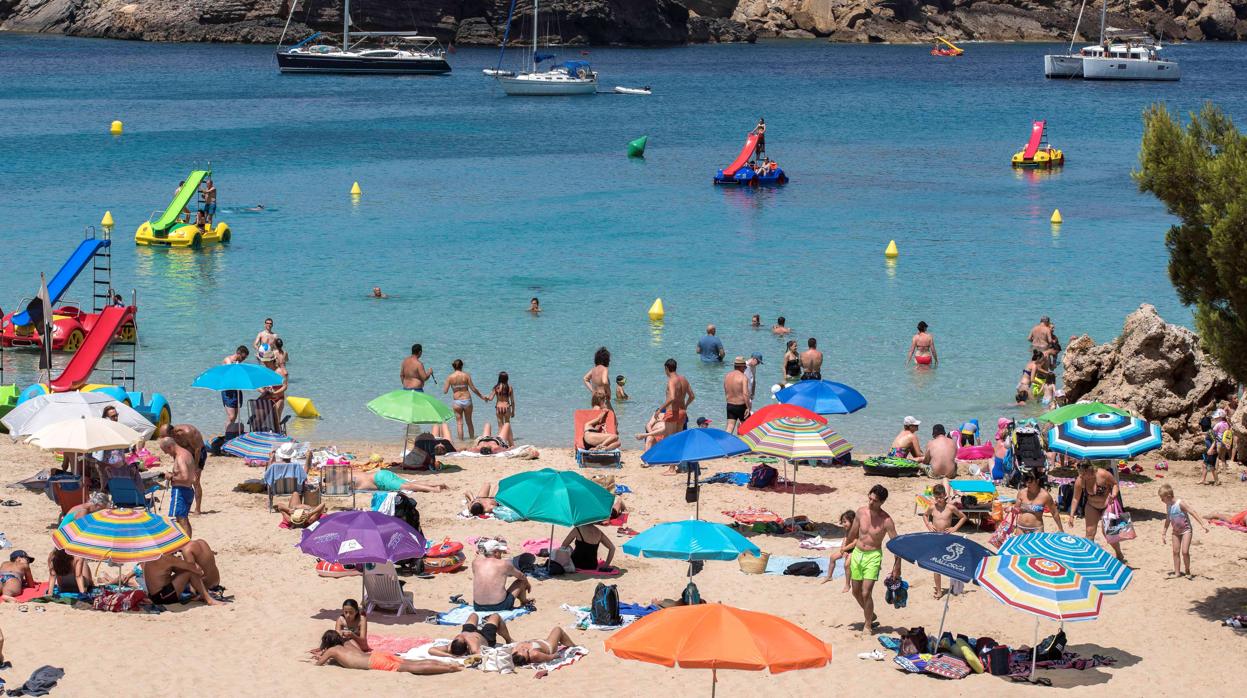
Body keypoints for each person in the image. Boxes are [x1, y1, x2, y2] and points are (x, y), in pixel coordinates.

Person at [823, 485, 901, 634]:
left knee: (866, 592)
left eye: (875, 501)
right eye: (870, 498)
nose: (871, 503)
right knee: (856, 592)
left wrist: (897, 567)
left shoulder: (886, 521)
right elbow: (852, 533)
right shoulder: (860, 512)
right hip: (858, 553)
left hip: (873, 556)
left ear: (882, 502)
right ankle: (870, 614)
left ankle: (867, 625)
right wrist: (846, 549)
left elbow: (896, 544)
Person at [312, 631, 461, 674]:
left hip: (374, 662)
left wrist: (321, 655)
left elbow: (319, 664)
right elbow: (358, 650)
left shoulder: (332, 651)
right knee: (412, 662)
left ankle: (449, 668)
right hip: (376, 655)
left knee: (411, 668)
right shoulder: (347, 643)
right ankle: (448, 664)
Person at [1068, 461, 1125, 561]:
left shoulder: (1103, 474)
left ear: (1091, 469)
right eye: (1081, 474)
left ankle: (1119, 553)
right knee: (1089, 533)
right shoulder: (1080, 480)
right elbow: (1075, 498)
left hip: (1107, 504)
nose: (1083, 476)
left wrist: (1114, 494)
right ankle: (1089, 558)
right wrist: (1071, 515)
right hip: (1091, 505)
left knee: (1108, 532)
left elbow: (1115, 484)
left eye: (1085, 474)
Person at [922, 484, 967, 598]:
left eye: (941, 497)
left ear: (945, 495)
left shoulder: (950, 507)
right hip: (936, 538)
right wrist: (928, 524)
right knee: (935, 565)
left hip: (947, 539)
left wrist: (954, 528)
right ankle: (938, 590)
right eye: (936, 498)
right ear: (934, 497)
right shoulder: (932, 507)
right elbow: (925, 515)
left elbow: (963, 517)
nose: (939, 500)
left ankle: (954, 586)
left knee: (950, 562)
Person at [157, 423, 206, 516]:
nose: (163, 439)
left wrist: (195, 468)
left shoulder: (187, 432)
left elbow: (198, 449)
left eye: (164, 436)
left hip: (198, 453)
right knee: (183, 477)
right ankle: (185, 505)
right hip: (186, 454)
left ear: (171, 433)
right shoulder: (172, 439)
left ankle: (198, 509)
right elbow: (176, 452)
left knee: (195, 481)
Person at [1159, 484, 1208, 578]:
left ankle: (1187, 570)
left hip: (1186, 530)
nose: (1161, 500)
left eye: (1162, 498)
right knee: (1175, 551)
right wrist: (1164, 532)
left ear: (1168, 497)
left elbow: (1192, 511)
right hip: (1175, 532)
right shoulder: (1168, 505)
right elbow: (1168, 519)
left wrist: (1202, 524)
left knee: (1185, 552)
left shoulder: (1180, 503)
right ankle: (1177, 572)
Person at [139, 549, 218, 606]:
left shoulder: (154, 555)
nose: (177, 551)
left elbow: (178, 570)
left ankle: (201, 594)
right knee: (190, 573)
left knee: (185, 572)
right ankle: (209, 599)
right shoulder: (167, 558)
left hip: (154, 596)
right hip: (162, 597)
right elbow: (197, 570)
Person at [472, 539, 532, 611]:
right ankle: (524, 602)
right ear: (495, 552)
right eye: (500, 552)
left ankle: (524, 601)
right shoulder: (504, 564)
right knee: (521, 581)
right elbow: (521, 576)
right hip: (499, 606)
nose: (501, 554)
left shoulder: (475, 563)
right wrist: (527, 584)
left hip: (477, 606)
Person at [443, 359, 489, 441]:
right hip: (467, 400)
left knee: (459, 423)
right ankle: (472, 441)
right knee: (469, 422)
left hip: (457, 402)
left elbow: (445, 391)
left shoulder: (450, 377)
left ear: (453, 366)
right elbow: (473, 389)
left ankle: (461, 442)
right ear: (462, 366)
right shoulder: (466, 375)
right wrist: (482, 397)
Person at [159, 436, 196, 538]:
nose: (166, 454)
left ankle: (184, 544)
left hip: (181, 491)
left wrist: (171, 477)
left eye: (166, 451)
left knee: (177, 519)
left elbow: (185, 477)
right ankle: (187, 542)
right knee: (183, 518)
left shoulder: (180, 457)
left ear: (170, 447)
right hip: (188, 490)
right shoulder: (187, 453)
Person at [431, 613, 513, 657]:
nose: (460, 636)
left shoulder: (450, 647)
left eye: (459, 637)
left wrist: (449, 655)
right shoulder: (474, 648)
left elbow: (432, 650)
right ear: (467, 646)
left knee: (474, 615)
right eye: (462, 638)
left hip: (468, 631)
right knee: (496, 616)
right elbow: (480, 655)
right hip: (485, 637)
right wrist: (453, 656)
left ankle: (483, 622)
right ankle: (509, 639)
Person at [659, 359, 694, 438]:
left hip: (672, 412)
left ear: (667, 368)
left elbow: (672, 397)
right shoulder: (684, 379)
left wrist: (660, 410)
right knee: (678, 440)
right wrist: (686, 405)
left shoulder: (671, 380)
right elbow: (692, 396)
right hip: (682, 412)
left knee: (669, 440)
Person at [510, 627, 576, 666]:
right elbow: (550, 657)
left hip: (540, 642)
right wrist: (557, 655)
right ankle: (573, 646)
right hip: (549, 645)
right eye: (527, 652)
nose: (525, 649)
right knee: (558, 629)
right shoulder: (534, 654)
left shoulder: (515, 651)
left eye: (523, 650)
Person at [221, 345, 249, 429]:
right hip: (228, 391)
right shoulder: (228, 360)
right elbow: (230, 373)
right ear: (238, 353)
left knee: (235, 416)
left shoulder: (238, 363)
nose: (243, 360)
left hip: (236, 390)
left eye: (245, 358)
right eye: (243, 357)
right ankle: (227, 436)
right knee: (231, 417)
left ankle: (231, 434)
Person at [352, 469, 448, 494]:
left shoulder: (346, 482)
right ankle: (434, 485)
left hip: (380, 480)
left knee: (406, 487)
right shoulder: (351, 472)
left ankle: (435, 489)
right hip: (381, 474)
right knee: (408, 484)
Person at [260, 352, 289, 425]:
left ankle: (276, 432)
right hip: (268, 398)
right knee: (260, 417)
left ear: (272, 361)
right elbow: (261, 386)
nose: (265, 363)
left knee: (275, 420)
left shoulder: (280, 372)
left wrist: (274, 393)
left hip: (278, 398)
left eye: (266, 362)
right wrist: (263, 390)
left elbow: (285, 386)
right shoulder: (266, 372)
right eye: (264, 362)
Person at [724, 356, 750, 434]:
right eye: (745, 367)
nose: (745, 368)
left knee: (730, 427)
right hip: (741, 406)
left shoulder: (727, 376)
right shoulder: (743, 377)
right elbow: (745, 394)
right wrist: (748, 407)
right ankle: (745, 445)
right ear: (741, 367)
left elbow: (725, 390)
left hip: (730, 405)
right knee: (747, 427)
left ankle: (725, 444)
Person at [583, 347, 612, 411]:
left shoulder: (593, 370)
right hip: (603, 397)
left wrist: (593, 391)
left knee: (596, 416)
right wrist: (609, 393)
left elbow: (585, 379)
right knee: (612, 418)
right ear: (607, 360)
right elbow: (605, 382)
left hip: (595, 398)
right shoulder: (605, 369)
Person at [837, 510, 856, 593]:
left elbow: (854, 544)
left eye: (845, 522)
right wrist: (843, 548)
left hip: (857, 549)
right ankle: (829, 576)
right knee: (833, 557)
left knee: (847, 564)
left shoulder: (856, 530)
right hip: (849, 549)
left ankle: (847, 584)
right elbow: (845, 539)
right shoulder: (847, 530)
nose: (843, 524)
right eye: (842, 522)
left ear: (852, 521)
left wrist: (845, 550)